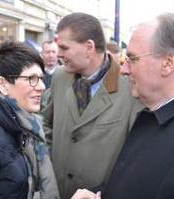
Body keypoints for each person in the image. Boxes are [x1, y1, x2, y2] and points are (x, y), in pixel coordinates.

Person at [71, 12, 174, 199]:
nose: (124, 70)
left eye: (133, 59)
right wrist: (97, 194)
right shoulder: (149, 115)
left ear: (167, 63)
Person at [41, 12, 141, 199]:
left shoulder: (131, 86)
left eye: (64, 47)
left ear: (89, 47)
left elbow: (135, 153)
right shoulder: (60, 77)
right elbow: (46, 123)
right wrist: (48, 162)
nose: (59, 54)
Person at [0, 41, 59, 198]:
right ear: (3, 85)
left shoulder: (22, 124)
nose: (41, 86)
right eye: (31, 78)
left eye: (41, 78)